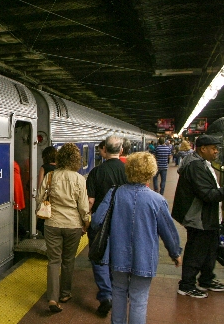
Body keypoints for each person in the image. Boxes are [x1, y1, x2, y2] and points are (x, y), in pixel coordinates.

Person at [91, 152, 182, 324]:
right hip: (144, 258)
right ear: (151, 172)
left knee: (118, 293)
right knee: (139, 299)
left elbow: (96, 221)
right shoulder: (157, 200)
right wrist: (175, 252)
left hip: (117, 255)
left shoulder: (114, 193)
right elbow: (168, 231)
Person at [172, 135, 224, 298]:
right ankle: (186, 285)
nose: (216, 152)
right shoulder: (196, 166)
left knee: (210, 250)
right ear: (202, 149)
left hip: (208, 216)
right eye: (213, 148)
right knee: (196, 251)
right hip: (198, 217)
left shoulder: (202, 163)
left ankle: (206, 279)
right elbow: (209, 195)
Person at [36, 143, 90, 313]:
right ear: (75, 159)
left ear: (60, 158)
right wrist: (86, 223)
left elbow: (39, 198)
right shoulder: (79, 179)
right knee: (68, 260)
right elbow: (83, 206)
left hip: (52, 224)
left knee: (54, 261)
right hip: (73, 225)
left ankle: (52, 298)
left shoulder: (50, 176)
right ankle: (65, 294)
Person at [86, 135, 127, 316]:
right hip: (123, 221)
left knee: (99, 256)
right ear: (121, 151)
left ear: (104, 150)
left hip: (101, 222)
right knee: (118, 257)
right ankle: (117, 292)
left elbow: (90, 201)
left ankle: (106, 295)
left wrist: (86, 221)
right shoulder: (128, 171)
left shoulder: (96, 172)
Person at [36, 146, 57, 237]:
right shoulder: (60, 168)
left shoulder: (44, 168)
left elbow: (40, 186)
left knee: (45, 224)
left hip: (47, 202)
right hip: (57, 201)